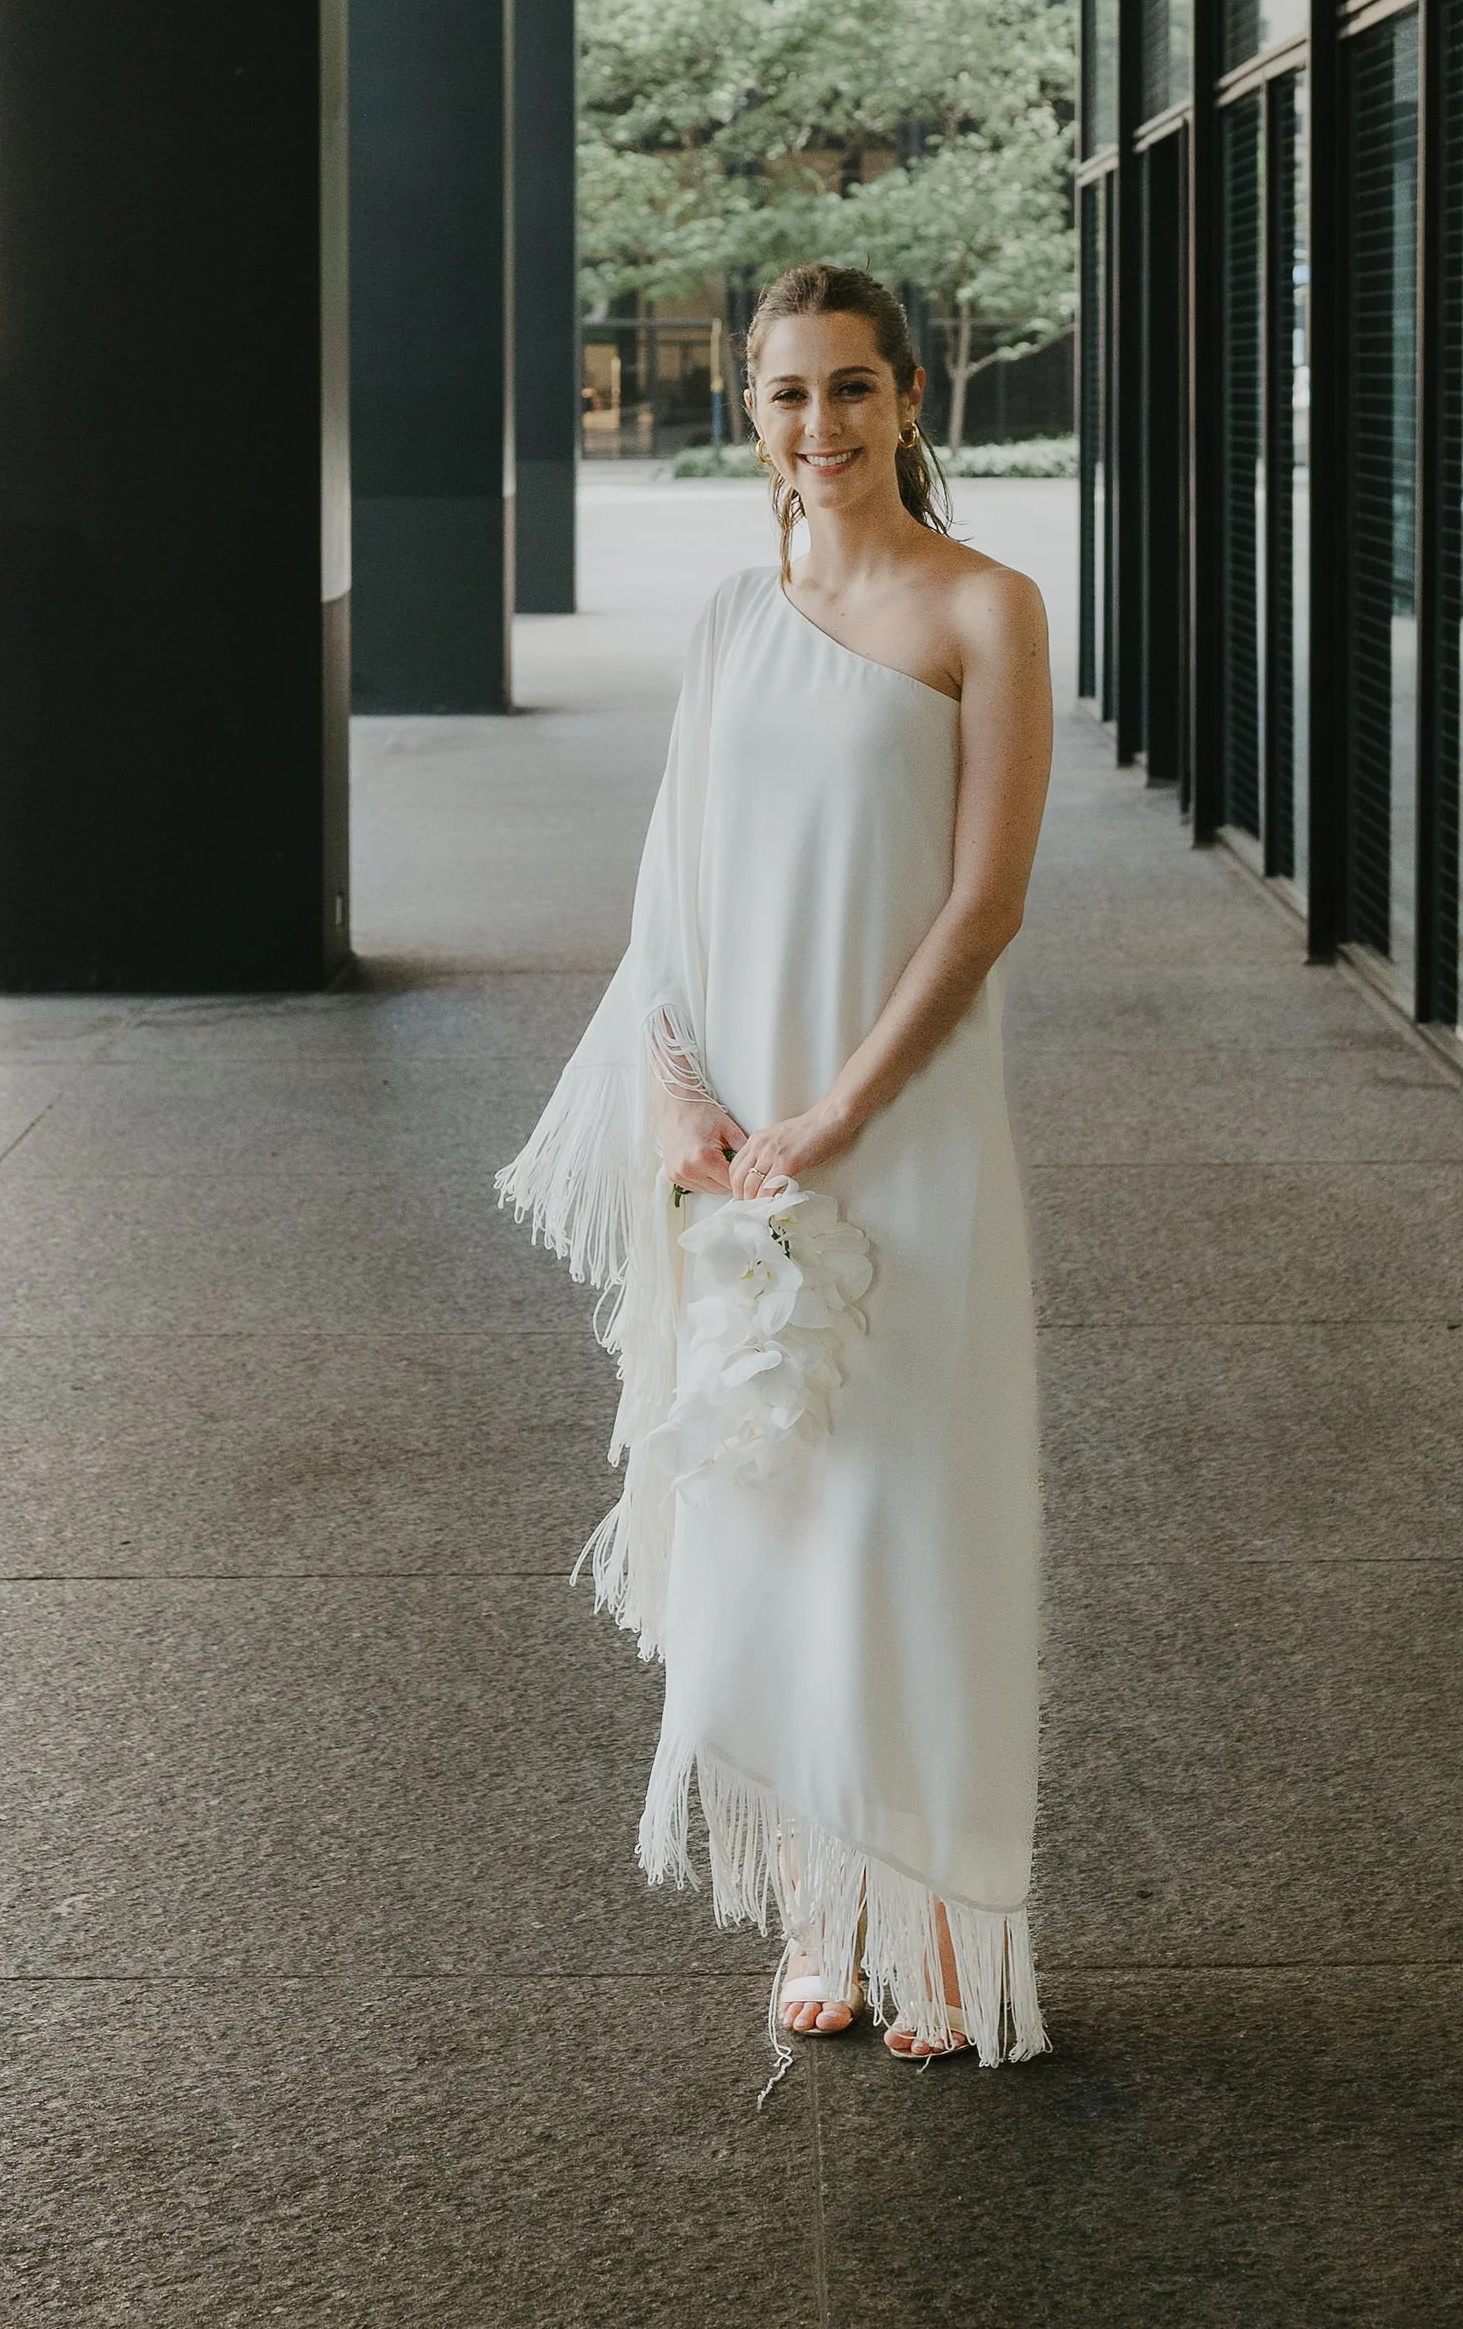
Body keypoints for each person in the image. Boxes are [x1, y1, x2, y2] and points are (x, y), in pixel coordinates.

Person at [500, 263, 1051, 2070]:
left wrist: (846, 1112)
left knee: (912, 1504)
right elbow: (670, 897)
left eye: (848, 389)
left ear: (911, 398)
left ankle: (945, 1915)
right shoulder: (734, 616)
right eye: (781, 393)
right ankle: (827, 1904)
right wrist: (679, 1105)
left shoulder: (989, 608)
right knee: (773, 1503)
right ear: (754, 412)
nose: (815, 426)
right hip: (738, 1147)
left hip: (901, 1131)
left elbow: (982, 907)